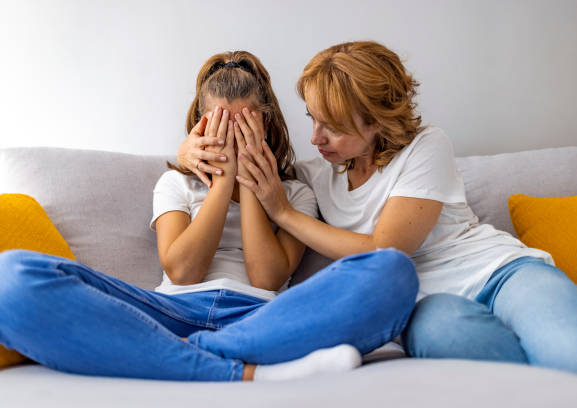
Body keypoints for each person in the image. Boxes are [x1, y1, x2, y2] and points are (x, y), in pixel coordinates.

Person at [178, 41, 577, 380]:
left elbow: (386, 251)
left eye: (332, 125)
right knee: (482, 367)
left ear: (375, 122)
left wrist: (285, 213)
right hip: (428, 305)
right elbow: (255, 160)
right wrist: (188, 150)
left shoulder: (427, 147)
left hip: (501, 274)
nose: (315, 137)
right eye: (312, 118)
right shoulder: (315, 173)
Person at [0, 51, 419, 382]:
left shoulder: (294, 193)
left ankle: (165, 357)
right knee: (10, 276)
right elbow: (183, 270)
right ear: (200, 127)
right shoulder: (176, 185)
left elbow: (267, 278)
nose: (232, 139)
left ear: (265, 125)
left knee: (391, 272)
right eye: (220, 126)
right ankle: (241, 370)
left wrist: (255, 184)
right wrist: (222, 181)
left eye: (243, 127)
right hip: (167, 313)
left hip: (261, 319)